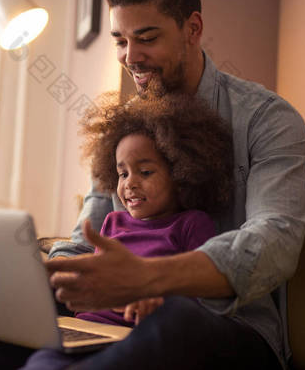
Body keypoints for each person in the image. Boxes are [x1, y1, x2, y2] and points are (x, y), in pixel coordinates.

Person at [43, 0, 305, 369]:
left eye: (147, 38)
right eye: (121, 41)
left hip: (233, 328)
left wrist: (147, 277)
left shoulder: (266, 119)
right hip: (119, 322)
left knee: (175, 319)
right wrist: (49, 272)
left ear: (192, 27)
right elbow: (89, 233)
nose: (130, 58)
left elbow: (275, 243)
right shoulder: (125, 129)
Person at [72, 90, 233, 328]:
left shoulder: (192, 224)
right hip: (89, 327)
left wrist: (158, 304)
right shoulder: (112, 222)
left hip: (140, 332)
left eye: (145, 172)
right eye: (122, 174)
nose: (130, 183)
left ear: (181, 174)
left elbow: (199, 295)